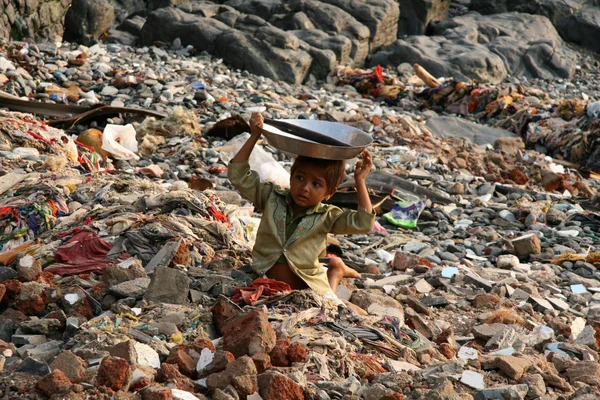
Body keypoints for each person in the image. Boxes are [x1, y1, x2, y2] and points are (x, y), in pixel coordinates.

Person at [227, 113, 375, 301]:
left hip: (307, 288)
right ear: (291, 176)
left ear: (329, 193)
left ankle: (335, 271)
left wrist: (360, 181)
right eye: (300, 178)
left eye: (316, 184)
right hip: (265, 281)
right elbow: (238, 176)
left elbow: (363, 223)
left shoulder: (327, 216)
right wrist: (255, 135)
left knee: (334, 307)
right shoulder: (272, 197)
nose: (305, 188)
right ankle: (335, 268)